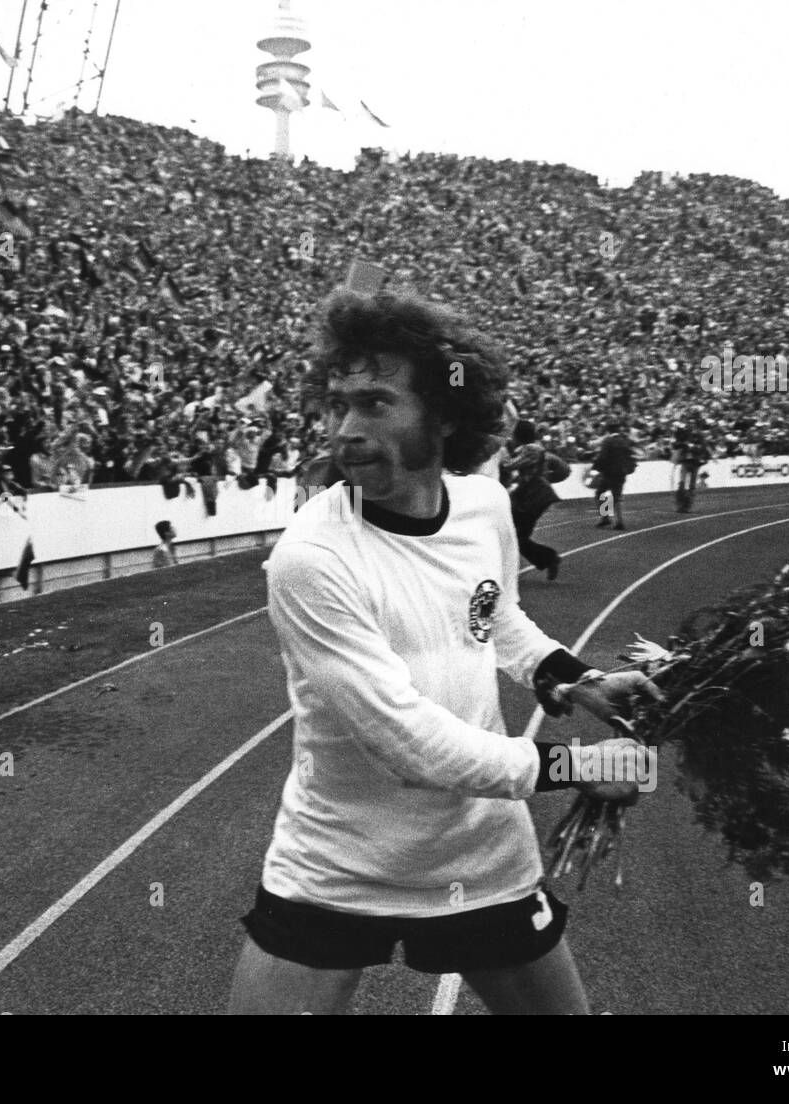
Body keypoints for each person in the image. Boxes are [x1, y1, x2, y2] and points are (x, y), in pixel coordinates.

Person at [228, 290, 662, 1016]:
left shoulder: (486, 508)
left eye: (375, 404)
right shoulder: (311, 556)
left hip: (481, 858)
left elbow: (497, 615)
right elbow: (410, 744)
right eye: (336, 404)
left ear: (448, 415)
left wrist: (578, 680)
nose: (345, 430)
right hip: (337, 866)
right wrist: (580, 764)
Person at [502, 429, 570, 580]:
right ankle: (607, 516)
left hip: (533, 496)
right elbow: (565, 470)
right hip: (532, 494)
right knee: (516, 534)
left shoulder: (531, 449)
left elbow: (510, 466)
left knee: (515, 534)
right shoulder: (541, 451)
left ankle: (549, 558)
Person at [591, 421, 636, 530]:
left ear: (608, 430)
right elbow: (630, 456)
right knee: (617, 496)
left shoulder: (607, 441)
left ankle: (605, 517)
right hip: (621, 473)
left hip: (608, 473)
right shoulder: (624, 441)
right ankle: (619, 521)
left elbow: (603, 457)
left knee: (600, 493)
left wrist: (596, 467)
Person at [670, 426, 709, 513]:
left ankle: (686, 506)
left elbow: (703, 451)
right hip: (687, 463)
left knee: (690, 486)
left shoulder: (699, 442)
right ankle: (681, 505)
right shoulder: (684, 442)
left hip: (694, 464)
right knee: (683, 484)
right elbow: (676, 446)